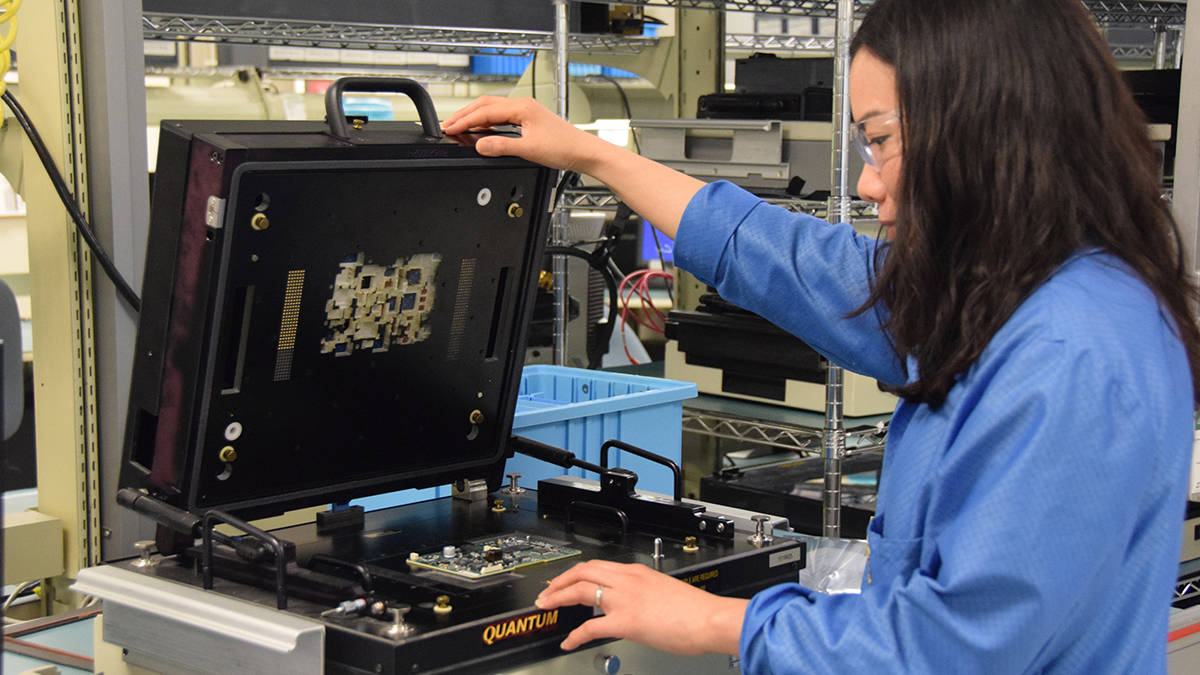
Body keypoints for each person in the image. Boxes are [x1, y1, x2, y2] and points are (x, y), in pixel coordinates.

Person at [443, 0, 1199, 670]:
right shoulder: (1011, 288)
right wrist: (593, 154)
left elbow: (948, 652)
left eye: (881, 140)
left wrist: (713, 618)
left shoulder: (1068, 355)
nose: (869, 184)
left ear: (982, 129)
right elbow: (798, 262)